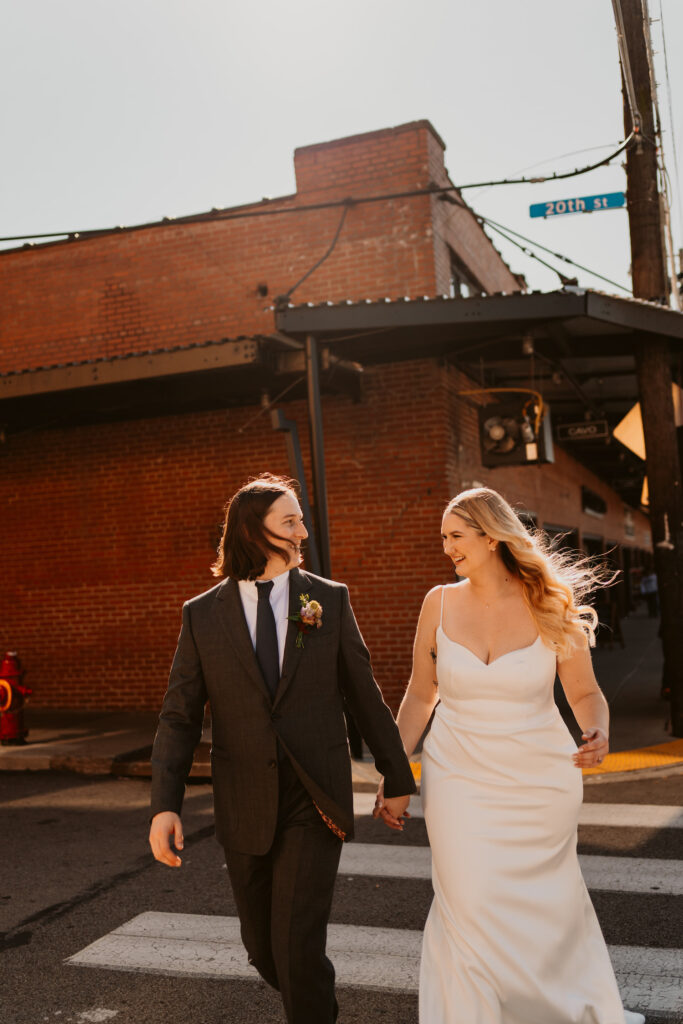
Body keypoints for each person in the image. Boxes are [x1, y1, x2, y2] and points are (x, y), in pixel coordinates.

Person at [149, 474, 415, 1024]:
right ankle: (311, 994)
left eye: (301, 519)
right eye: (290, 521)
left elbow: (364, 695)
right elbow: (178, 716)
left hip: (313, 795)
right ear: (254, 531)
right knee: (265, 950)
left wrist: (398, 776)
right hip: (243, 800)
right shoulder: (202, 615)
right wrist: (164, 805)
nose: (303, 530)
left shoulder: (329, 600)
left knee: (296, 941)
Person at [375, 487, 645, 1024]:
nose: (447, 547)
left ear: (491, 536)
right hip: (458, 776)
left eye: (456, 535)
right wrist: (393, 767)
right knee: (466, 901)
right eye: (444, 537)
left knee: (548, 908)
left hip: (539, 780)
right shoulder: (439, 602)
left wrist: (596, 731)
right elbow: (419, 694)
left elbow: (586, 694)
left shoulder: (549, 602)